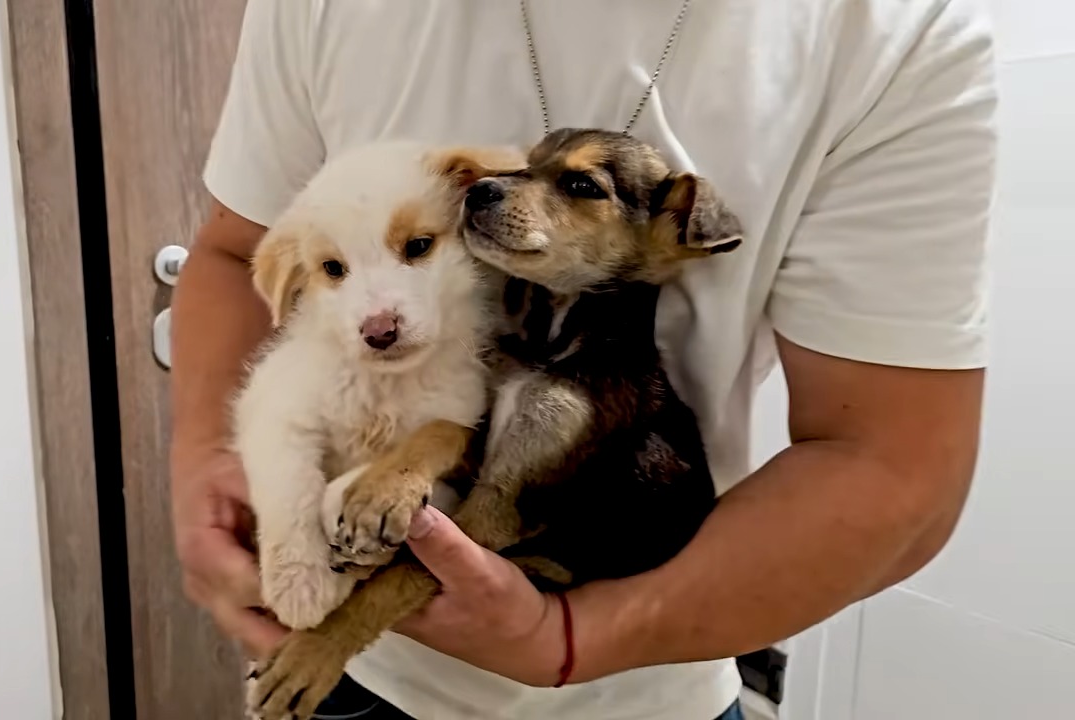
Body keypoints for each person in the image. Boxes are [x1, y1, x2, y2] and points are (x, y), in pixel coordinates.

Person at [170, 1, 995, 718]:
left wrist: (568, 641)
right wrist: (209, 459)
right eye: (529, 175)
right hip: (361, 681)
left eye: (578, 189)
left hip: (637, 695)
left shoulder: (895, 32)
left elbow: (894, 466)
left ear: (674, 229)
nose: (499, 196)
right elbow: (238, 254)